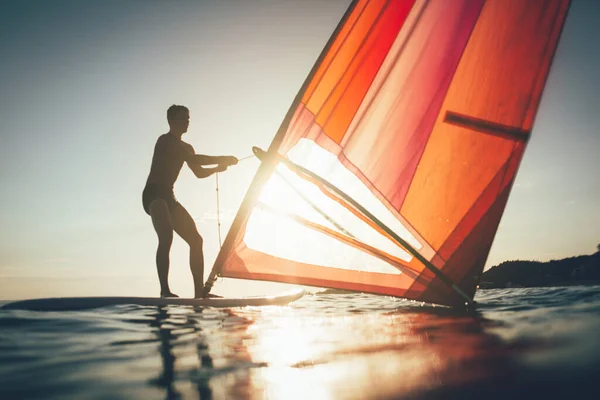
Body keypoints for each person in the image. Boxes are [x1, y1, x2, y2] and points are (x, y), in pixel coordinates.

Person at [143, 105, 238, 298]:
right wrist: (223, 157)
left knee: (196, 240)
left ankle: (199, 293)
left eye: (188, 119)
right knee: (166, 236)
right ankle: (165, 290)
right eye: (183, 119)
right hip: (153, 195)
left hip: (169, 197)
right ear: (171, 121)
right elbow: (196, 158)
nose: (187, 122)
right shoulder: (164, 141)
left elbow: (199, 172)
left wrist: (218, 168)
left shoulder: (187, 147)